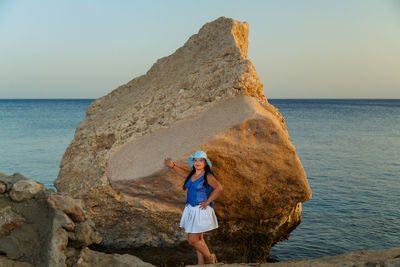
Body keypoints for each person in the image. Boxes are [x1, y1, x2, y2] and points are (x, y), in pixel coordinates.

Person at [164, 150, 223, 265]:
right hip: (191, 208)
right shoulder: (192, 174)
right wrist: (173, 166)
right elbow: (184, 173)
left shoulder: (208, 175)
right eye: (195, 160)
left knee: (192, 240)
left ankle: (210, 258)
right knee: (199, 238)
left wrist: (207, 202)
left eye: (201, 160)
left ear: (205, 163)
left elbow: (219, 188)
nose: (198, 162)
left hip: (200, 209)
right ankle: (200, 262)